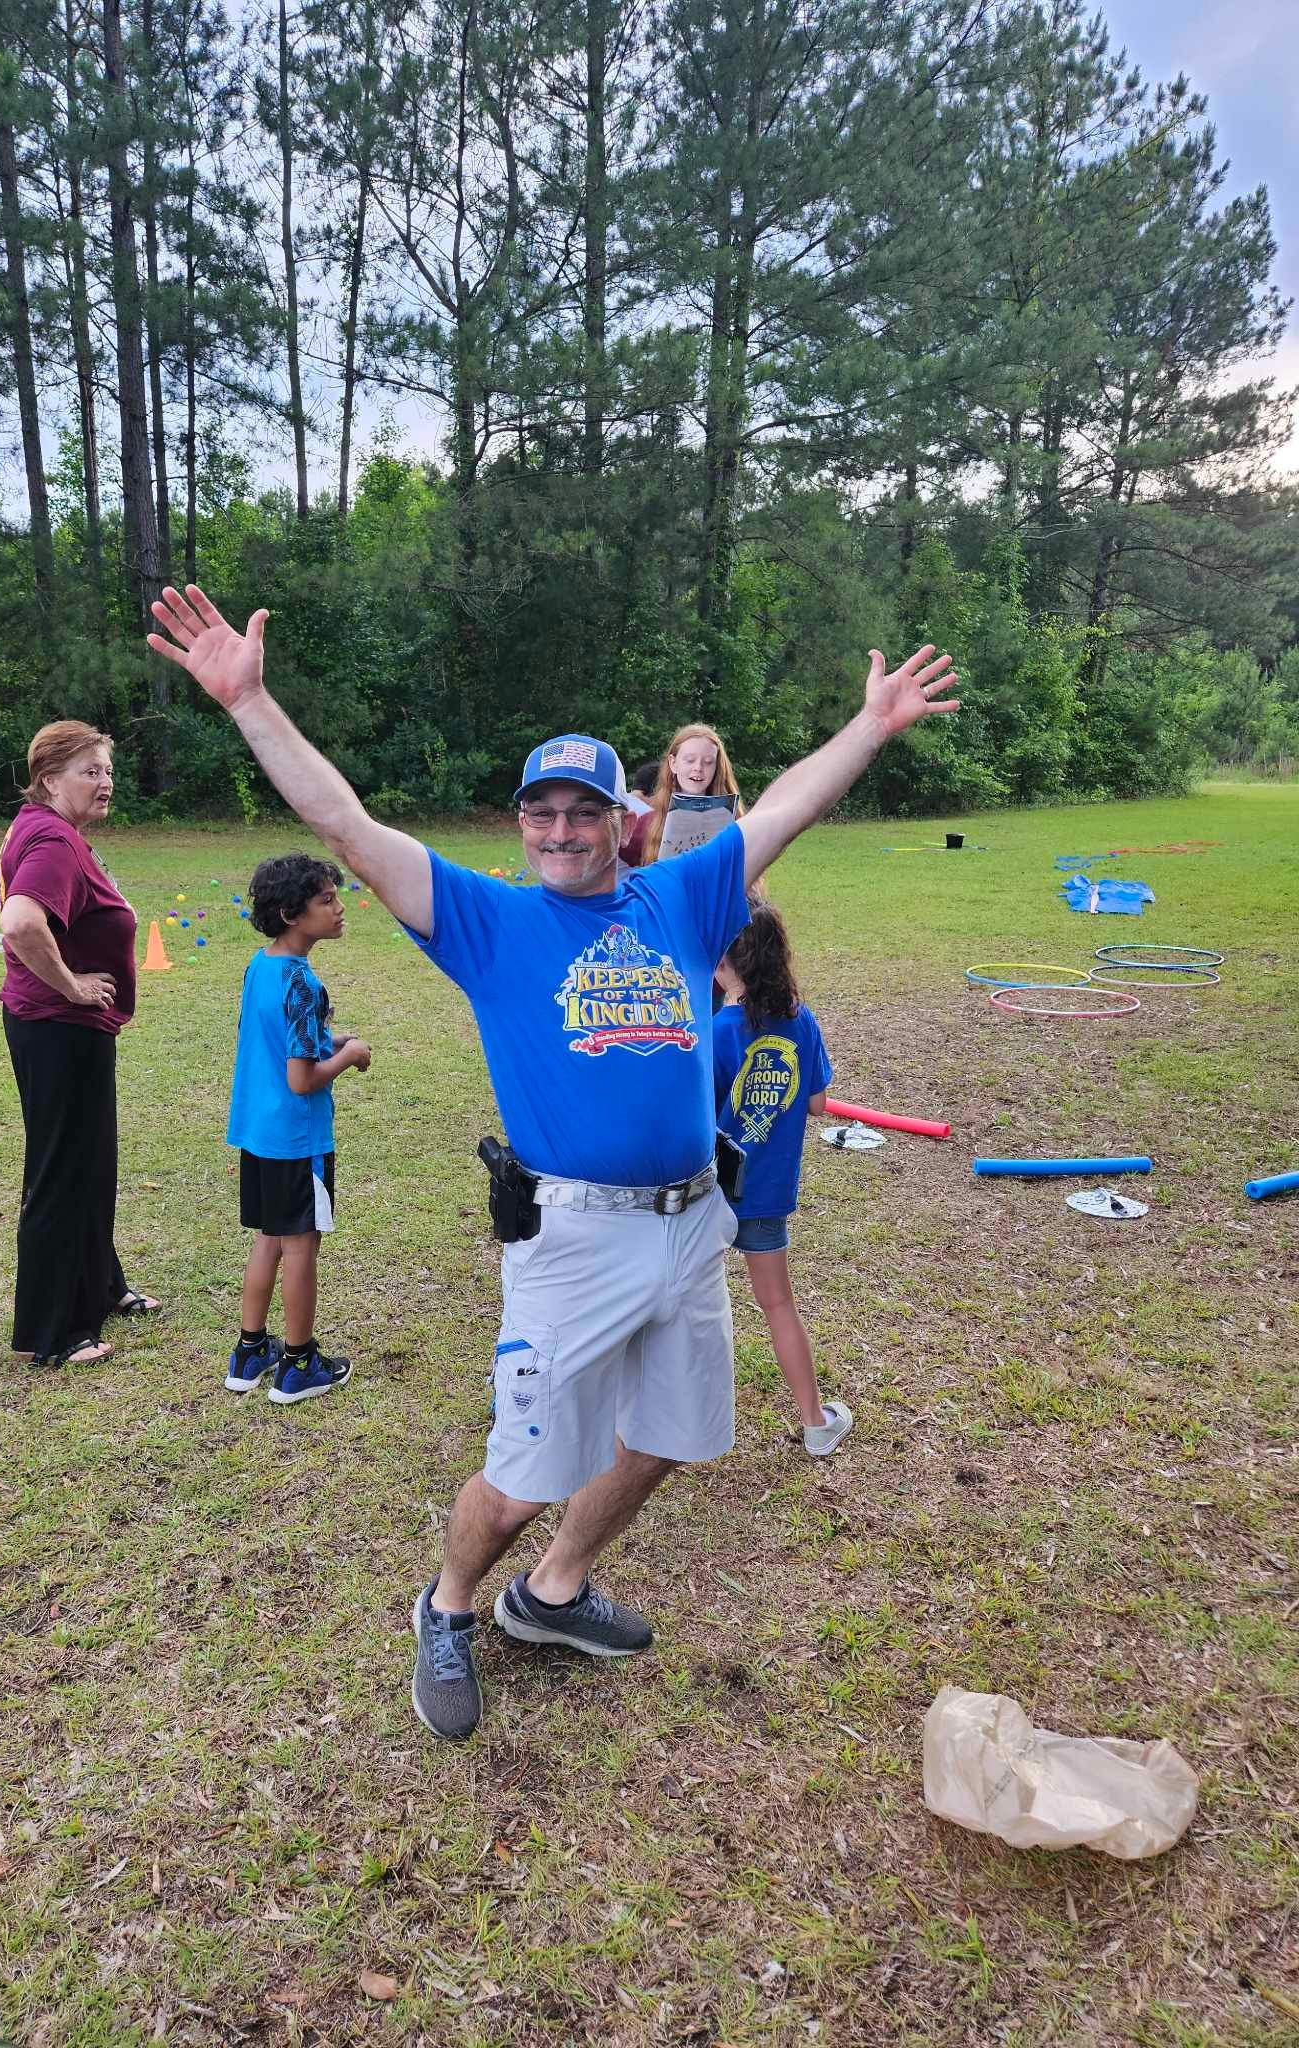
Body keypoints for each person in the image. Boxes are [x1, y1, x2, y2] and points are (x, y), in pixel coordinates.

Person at [146, 584, 956, 1741]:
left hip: (692, 1227)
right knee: (526, 1473)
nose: (562, 831)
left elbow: (782, 808)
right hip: (572, 1237)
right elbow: (348, 826)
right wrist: (250, 703)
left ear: (624, 817)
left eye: (584, 810)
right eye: (542, 813)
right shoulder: (487, 919)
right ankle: (451, 1601)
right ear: (520, 822)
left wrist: (869, 728)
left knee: (672, 1438)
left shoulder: (681, 892)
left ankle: (554, 1591)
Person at [0, 721, 161, 1370]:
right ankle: (56, 1331)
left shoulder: (46, 830)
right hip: (58, 1029)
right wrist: (69, 984)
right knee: (63, 1170)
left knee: (91, 1165)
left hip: (67, 1030)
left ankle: (102, 1285)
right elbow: (18, 921)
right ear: (49, 780)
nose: (105, 782)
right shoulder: (53, 840)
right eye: (89, 771)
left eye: (108, 770)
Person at [224, 852, 372, 1402]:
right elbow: (303, 1080)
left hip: (259, 1132)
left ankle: (249, 1351)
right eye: (326, 901)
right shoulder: (305, 985)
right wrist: (349, 1054)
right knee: (302, 1246)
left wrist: (327, 1041)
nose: (339, 909)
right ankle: (298, 1363)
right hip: (296, 1139)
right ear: (292, 913)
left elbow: (281, 1041)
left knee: (269, 1237)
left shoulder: (261, 967)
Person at [713, 901, 850, 1455]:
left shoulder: (719, 1029)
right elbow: (817, 1103)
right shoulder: (802, 1019)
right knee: (778, 1306)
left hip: (708, 1195)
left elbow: (695, 1111)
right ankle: (816, 1423)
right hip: (764, 1196)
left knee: (674, 1304)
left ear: (727, 962)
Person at [642, 723, 742, 863]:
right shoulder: (648, 822)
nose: (698, 768)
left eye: (708, 762)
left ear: (716, 767)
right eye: (690, 760)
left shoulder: (735, 819)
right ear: (673, 763)